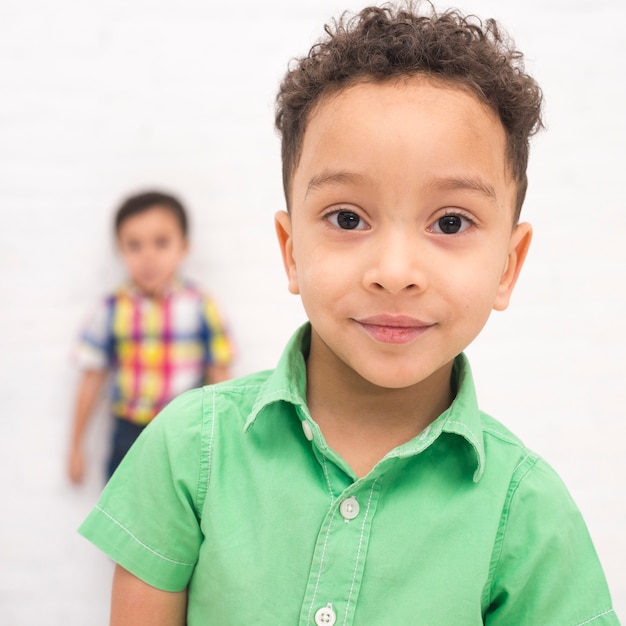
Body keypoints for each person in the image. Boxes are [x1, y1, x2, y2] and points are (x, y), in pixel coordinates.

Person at [78, 4, 619, 624]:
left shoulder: (529, 514)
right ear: (290, 252)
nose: (394, 270)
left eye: (450, 222)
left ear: (507, 265)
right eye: (347, 218)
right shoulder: (187, 453)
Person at [67, 190, 234, 483]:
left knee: (181, 515)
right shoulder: (111, 309)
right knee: (123, 516)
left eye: (161, 242)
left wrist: (230, 442)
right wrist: (76, 447)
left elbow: (220, 376)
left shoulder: (200, 306)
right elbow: (91, 377)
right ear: (120, 249)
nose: (148, 256)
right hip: (128, 432)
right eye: (134, 245)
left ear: (183, 247)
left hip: (186, 430)